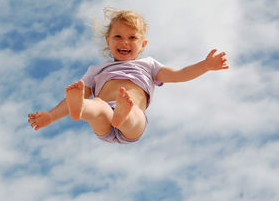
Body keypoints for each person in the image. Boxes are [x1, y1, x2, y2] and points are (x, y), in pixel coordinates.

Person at [28, 8, 229, 144]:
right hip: (107, 114)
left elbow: (178, 75)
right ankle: (81, 108)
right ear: (108, 40)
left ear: (143, 44)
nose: (125, 42)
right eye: (118, 37)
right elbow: (69, 98)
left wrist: (205, 65)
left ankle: (121, 113)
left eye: (132, 38)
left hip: (132, 118)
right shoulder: (97, 70)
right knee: (97, 106)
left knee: (132, 115)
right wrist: (51, 116)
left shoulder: (149, 65)